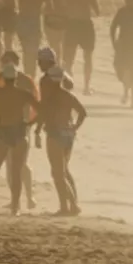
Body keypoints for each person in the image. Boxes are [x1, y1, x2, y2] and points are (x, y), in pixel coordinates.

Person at [0, 63, 38, 215]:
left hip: (3, 133)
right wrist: (30, 123)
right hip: (19, 132)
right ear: (16, 78)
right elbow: (41, 110)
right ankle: (15, 208)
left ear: (4, 78)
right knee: (16, 172)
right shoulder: (23, 94)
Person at [35, 55, 87, 216]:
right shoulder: (68, 95)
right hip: (68, 135)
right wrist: (75, 127)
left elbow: (43, 114)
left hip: (55, 134)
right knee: (64, 171)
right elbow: (83, 113)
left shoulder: (50, 98)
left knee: (57, 173)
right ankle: (70, 205)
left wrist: (37, 131)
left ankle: (69, 206)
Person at [65, 0, 100, 93]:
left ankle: (68, 83)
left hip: (72, 23)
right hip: (85, 24)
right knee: (88, 57)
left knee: (69, 57)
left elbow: (65, 5)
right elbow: (97, 10)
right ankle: (86, 86)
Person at [14, 0, 53, 76]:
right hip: (35, 19)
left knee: (26, 51)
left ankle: (28, 75)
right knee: (33, 51)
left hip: (22, 19)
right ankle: (31, 75)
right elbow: (50, 6)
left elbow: (8, 0)